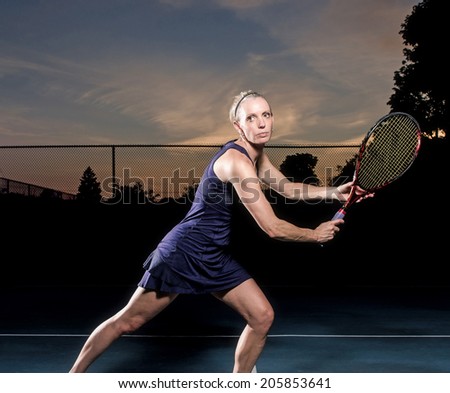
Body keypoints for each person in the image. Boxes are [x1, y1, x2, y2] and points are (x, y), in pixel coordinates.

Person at [69, 90, 368, 373]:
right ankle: (71, 379)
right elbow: (272, 227)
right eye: (251, 118)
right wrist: (314, 234)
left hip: (212, 253)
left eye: (267, 114)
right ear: (238, 126)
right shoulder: (237, 161)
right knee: (128, 322)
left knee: (261, 317)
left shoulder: (256, 155)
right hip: (183, 251)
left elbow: (287, 188)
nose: (262, 122)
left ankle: (239, 383)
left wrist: (333, 193)